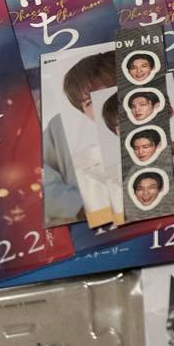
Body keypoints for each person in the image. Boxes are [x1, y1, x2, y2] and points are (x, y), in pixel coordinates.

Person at [45, 51, 118, 225]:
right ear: (83, 111)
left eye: (110, 90)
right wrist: (79, 207)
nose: (103, 102)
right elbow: (36, 177)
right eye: (89, 102)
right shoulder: (60, 127)